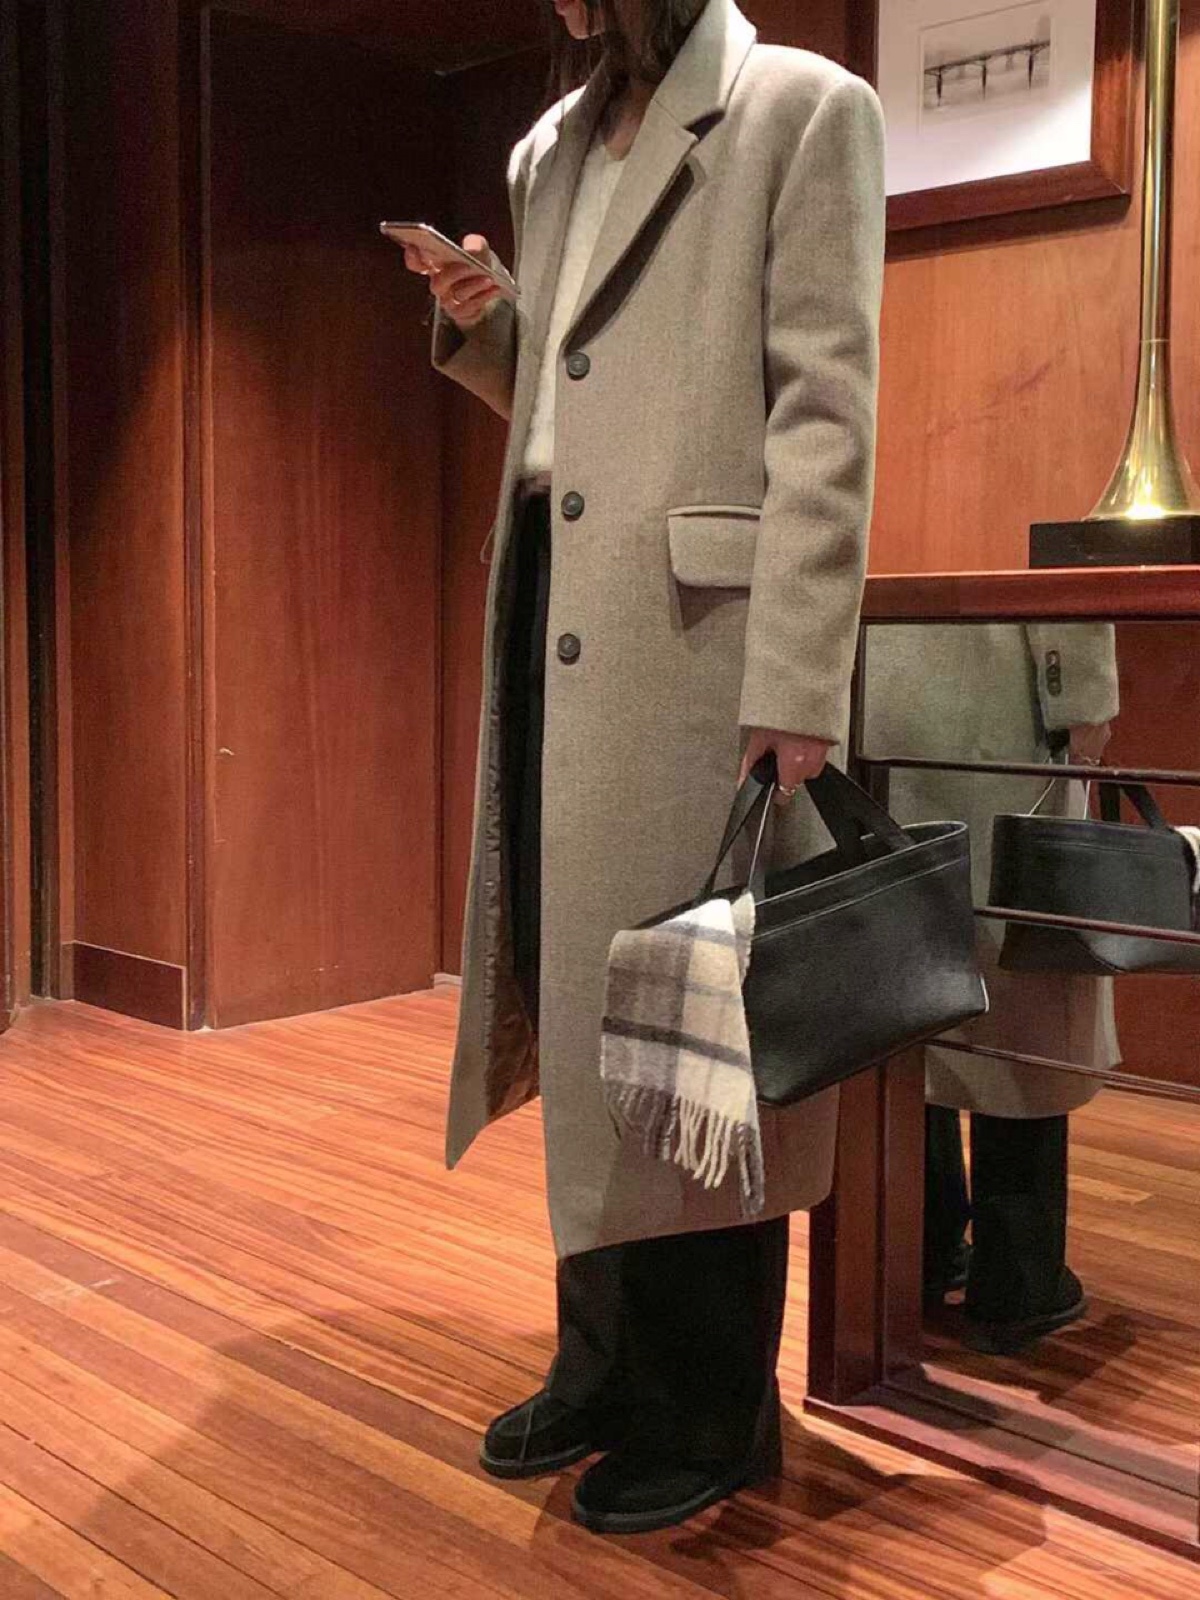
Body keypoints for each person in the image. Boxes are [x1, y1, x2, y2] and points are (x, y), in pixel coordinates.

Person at [408, 0, 885, 1534]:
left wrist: (798, 679)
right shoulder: (555, 148)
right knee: (585, 1003)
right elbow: (577, 407)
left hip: (704, 646)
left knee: (701, 1032)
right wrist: (495, 325)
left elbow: (826, 410)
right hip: (556, 618)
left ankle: (709, 1408)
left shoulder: (803, 108)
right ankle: (604, 1364)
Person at [862, 622, 1120, 1353]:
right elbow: (1063, 582)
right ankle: (1017, 1277)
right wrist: (1086, 707)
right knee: (1022, 997)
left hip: (880, 701)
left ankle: (921, 1246)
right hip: (1006, 710)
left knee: (911, 990)